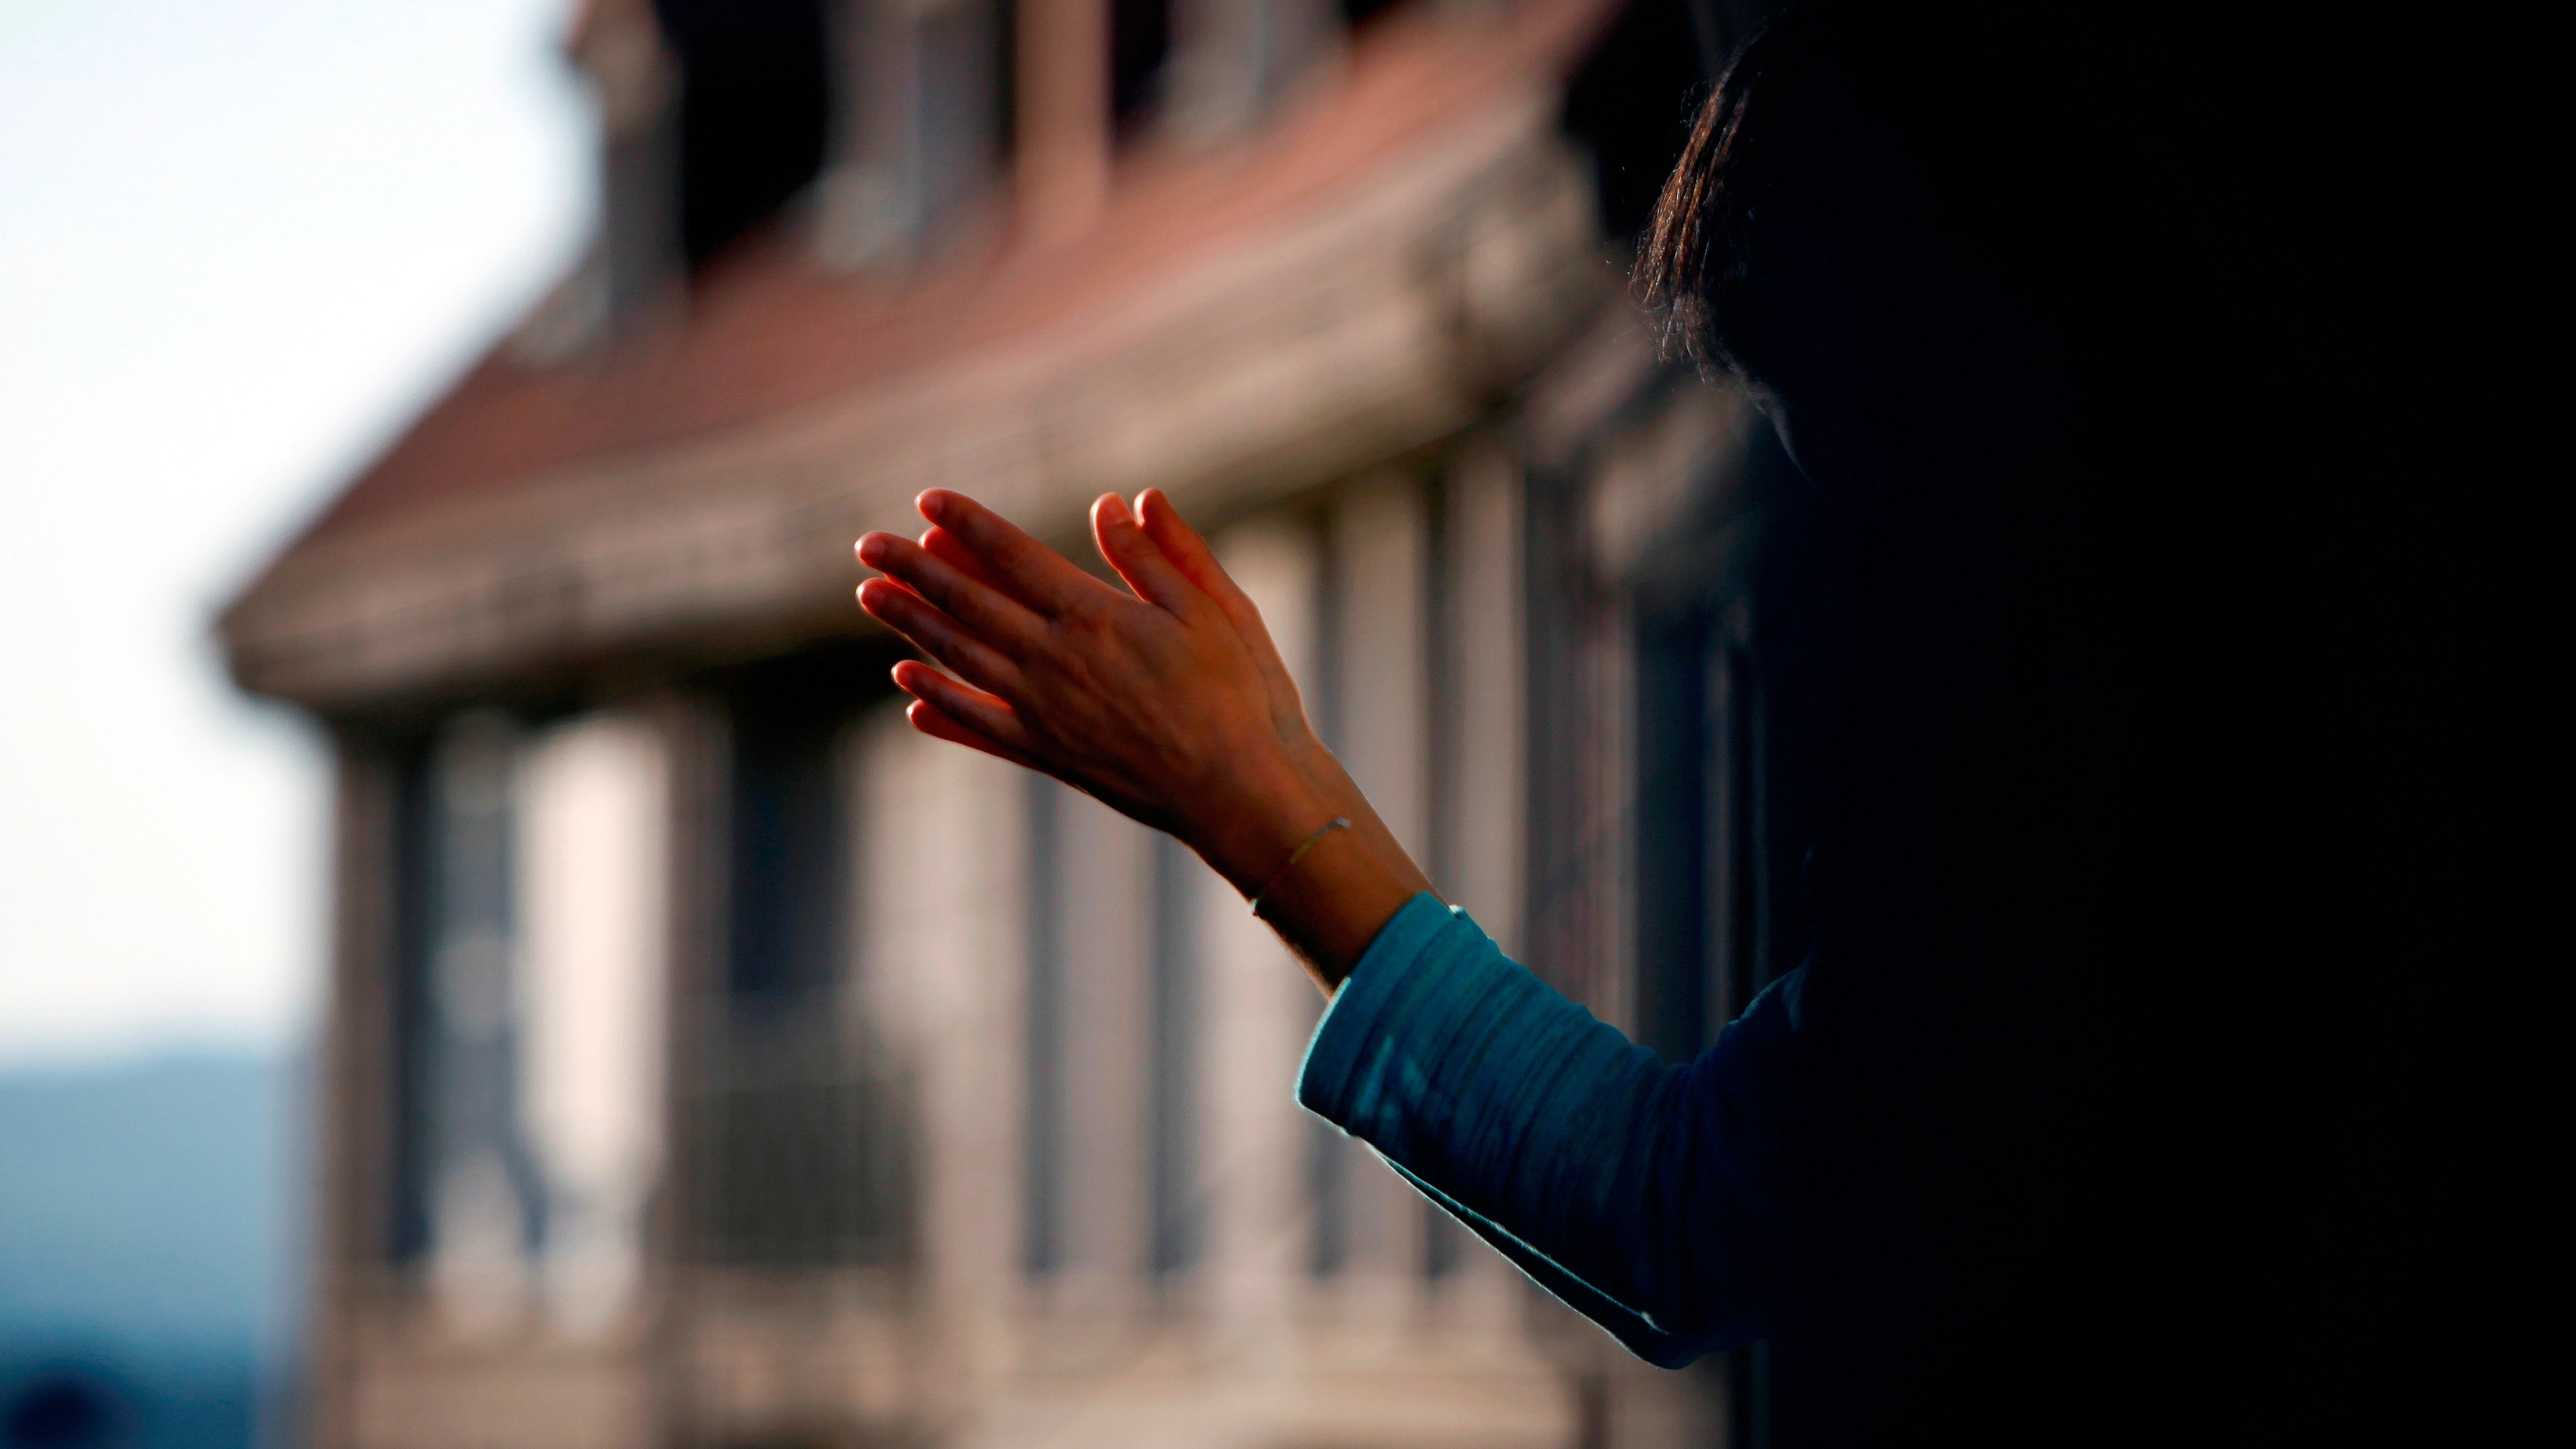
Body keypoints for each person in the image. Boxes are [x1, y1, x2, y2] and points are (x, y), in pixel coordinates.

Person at [856, 2, 2484, 1440]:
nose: (1840, 545)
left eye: (1866, 430)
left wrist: (1257, 797)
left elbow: (1696, 1207)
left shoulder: (2115, 784)